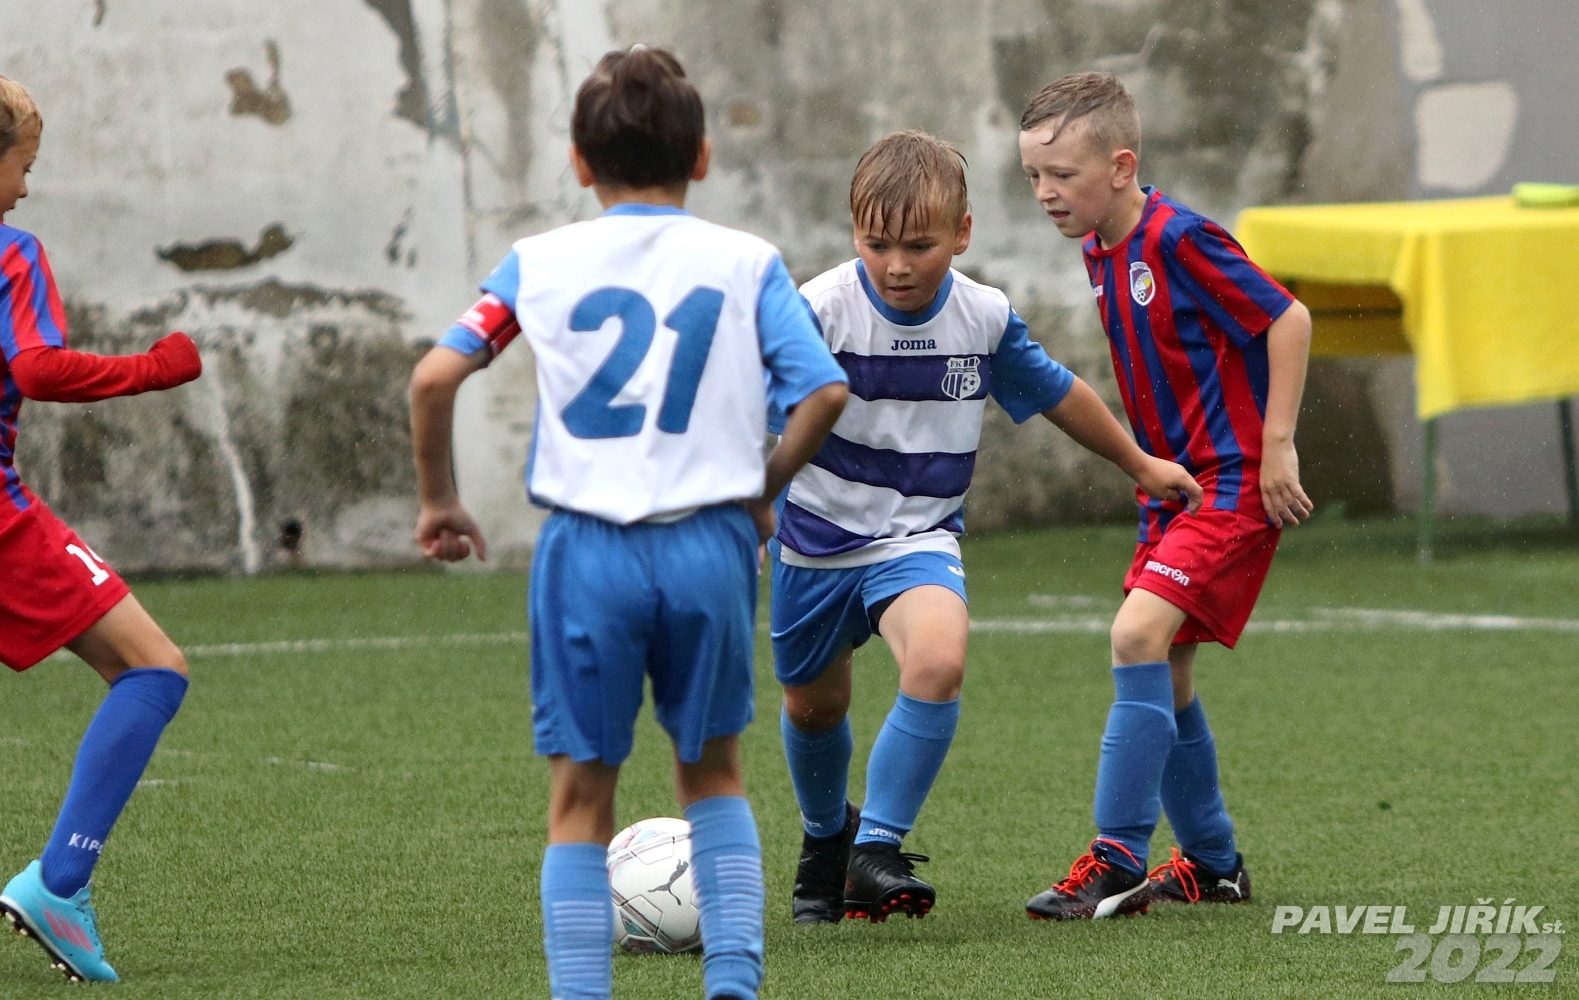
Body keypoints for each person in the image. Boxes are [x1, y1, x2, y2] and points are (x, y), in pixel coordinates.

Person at [407, 47, 848, 1000]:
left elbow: (435, 376)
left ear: (577, 162)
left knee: (580, 797)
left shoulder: (537, 263)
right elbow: (822, 390)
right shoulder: (746, 262)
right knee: (714, 775)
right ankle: (732, 986)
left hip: (588, 548)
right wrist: (762, 488)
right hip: (706, 542)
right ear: (701, 155)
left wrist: (439, 499)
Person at [773, 130, 1201, 925]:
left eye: (919, 246)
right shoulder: (817, 311)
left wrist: (1138, 463)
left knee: (937, 661)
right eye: (875, 244)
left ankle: (875, 845)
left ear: (962, 233)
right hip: (815, 542)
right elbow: (755, 410)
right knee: (813, 710)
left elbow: (1057, 391)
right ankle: (825, 838)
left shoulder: (982, 317)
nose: (896, 266)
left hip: (917, 538)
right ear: (852, 233)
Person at [1017, 72, 1313, 920]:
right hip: (1176, 490)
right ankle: (1214, 864)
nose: (1045, 193)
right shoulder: (1098, 249)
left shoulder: (1179, 237)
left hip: (1231, 482)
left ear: (1120, 167)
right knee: (1168, 666)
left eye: (1061, 175)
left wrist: (1277, 446)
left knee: (1135, 635)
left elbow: (1286, 319)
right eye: (1033, 176)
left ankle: (1115, 858)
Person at [0, 75, 203, 982]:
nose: (26, 188)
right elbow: (38, 369)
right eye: (24, 165)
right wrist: (153, 368)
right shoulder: (11, 253)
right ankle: (60, 882)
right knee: (152, 667)